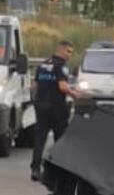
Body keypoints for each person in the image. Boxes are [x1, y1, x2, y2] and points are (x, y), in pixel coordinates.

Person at [30, 40, 78, 180]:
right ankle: (58, 170)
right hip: (57, 107)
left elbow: (34, 86)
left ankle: (35, 169)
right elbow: (63, 87)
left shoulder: (43, 65)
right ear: (61, 50)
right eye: (68, 51)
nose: (69, 55)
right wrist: (75, 95)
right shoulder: (61, 66)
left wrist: (36, 101)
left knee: (39, 139)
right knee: (60, 139)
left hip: (41, 107)